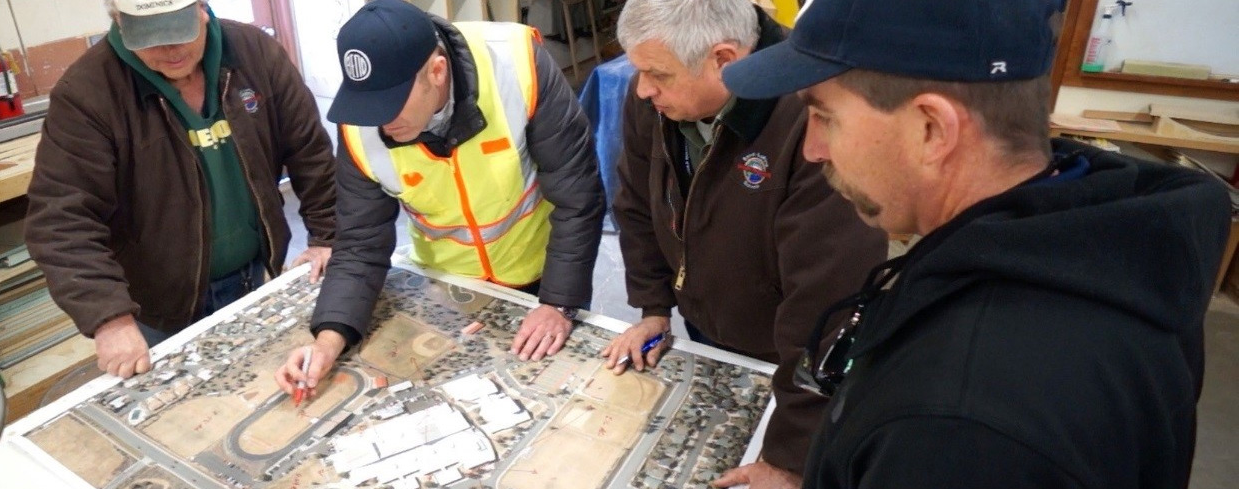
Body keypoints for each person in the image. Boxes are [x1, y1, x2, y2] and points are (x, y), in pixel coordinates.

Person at [721, 0, 1231, 487]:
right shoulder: (1112, 249)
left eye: (825, 116)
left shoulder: (956, 427)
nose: (812, 149)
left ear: (931, 129)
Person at [603, 1, 886, 486]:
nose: (642, 88)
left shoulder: (813, 117)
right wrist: (653, 305)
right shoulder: (651, 96)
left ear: (725, 60)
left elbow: (827, 303)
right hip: (709, 320)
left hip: (790, 352)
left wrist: (789, 457)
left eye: (657, 74)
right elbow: (636, 203)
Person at [274, 0, 603, 394]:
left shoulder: (516, 65)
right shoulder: (361, 125)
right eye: (369, 104)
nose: (379, 121)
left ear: (437, 71)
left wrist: (559, 302)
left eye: (391, 104)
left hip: (543, 276)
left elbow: (577, 194)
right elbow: (360, 243)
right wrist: (327, 341)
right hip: (446, 289)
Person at [26, 0, 337, 379]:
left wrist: (327, 236)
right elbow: (62, 221)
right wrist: (109, 318)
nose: (170, 52)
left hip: (252, 274)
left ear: (202, 10)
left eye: (179, 32)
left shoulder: (255, 53)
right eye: (152, 39)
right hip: (159, 302)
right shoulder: (87, 93)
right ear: (119, 22)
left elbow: (311, 153)